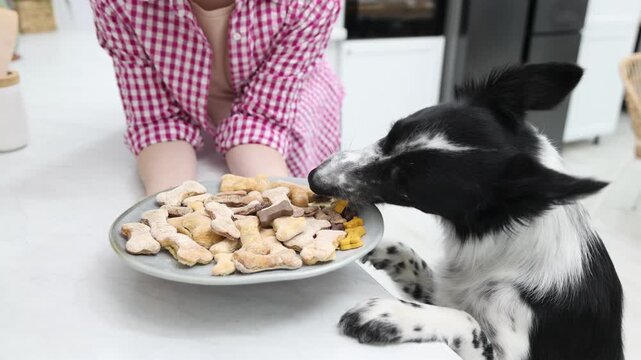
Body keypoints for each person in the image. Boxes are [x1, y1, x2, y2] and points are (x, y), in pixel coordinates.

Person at [90, 0, 343, 195]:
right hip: (185, 97)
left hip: (289, 101)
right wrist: (169, 212)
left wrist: (276, 205)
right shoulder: (119, 5)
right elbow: (158, 122)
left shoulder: (309, 3)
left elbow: (263, 118)